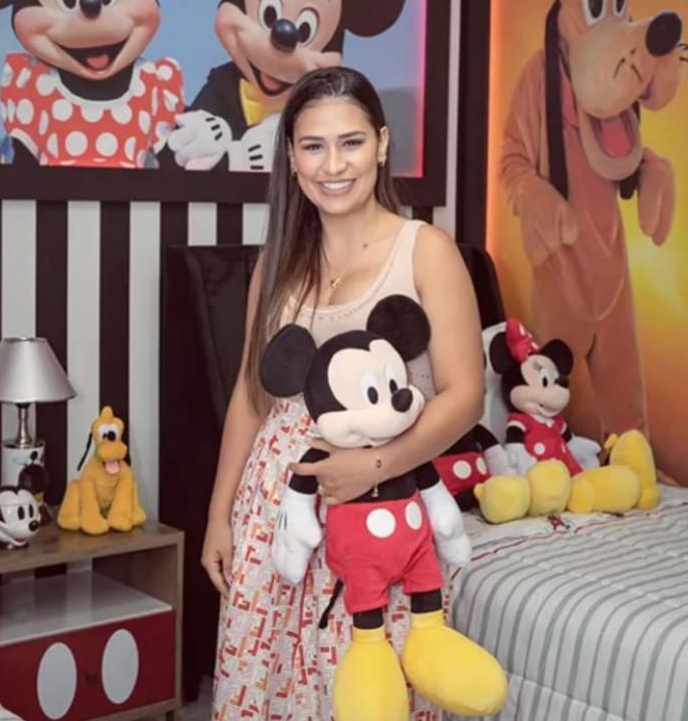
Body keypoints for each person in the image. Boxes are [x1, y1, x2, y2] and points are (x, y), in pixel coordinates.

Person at [202, 66, 485, 720]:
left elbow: (466, 395)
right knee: (264, 684)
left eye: (351, 142)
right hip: (274, 514)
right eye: (313, 146)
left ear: (381, 145)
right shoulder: (277, 262)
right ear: (291, 157)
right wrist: (220, 515)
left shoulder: (426, 251)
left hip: (380, 510)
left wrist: (373, 465)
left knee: (365, 691)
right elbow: (250, 395)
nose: (333, 165)